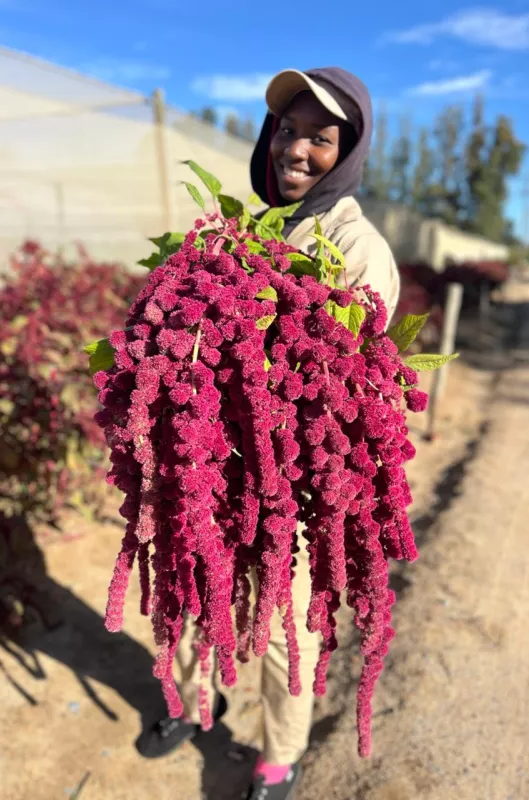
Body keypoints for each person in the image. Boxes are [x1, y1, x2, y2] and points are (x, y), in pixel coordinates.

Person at [136, 66, 400, 800]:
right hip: (218, 460)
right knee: (193, 588)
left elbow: (354, 378)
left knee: (287, 627)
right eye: (288, 131)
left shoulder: (357, 246)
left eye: (322, 138)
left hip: (297, 484)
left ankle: (279, 757)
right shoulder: (244, 229)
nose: (297, 149)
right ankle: (194, 703)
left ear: (347, 153)